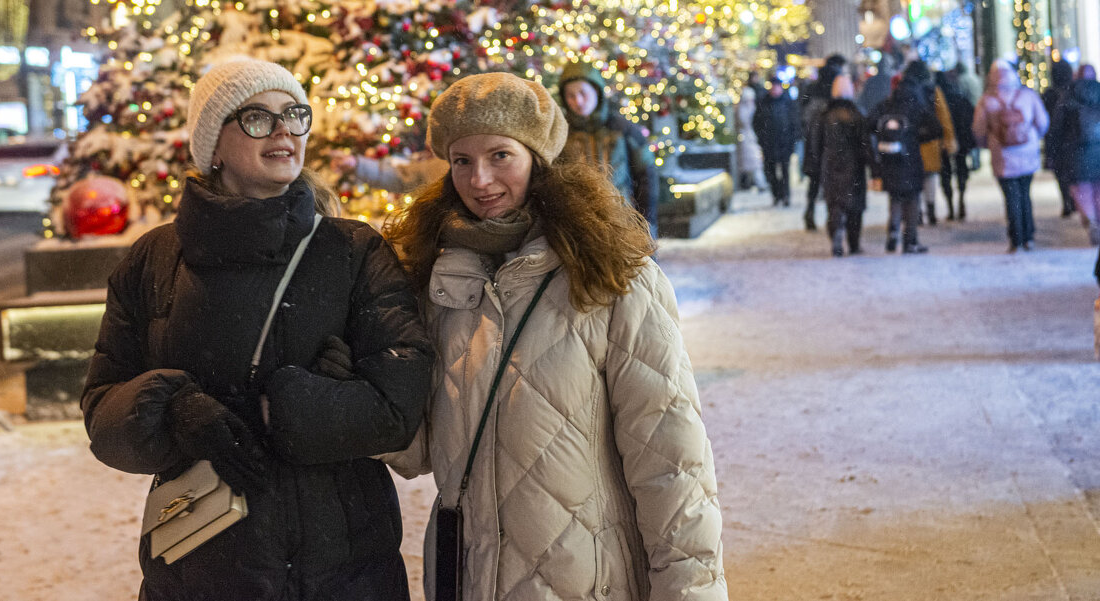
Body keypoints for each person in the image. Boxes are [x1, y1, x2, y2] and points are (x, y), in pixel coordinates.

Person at [81, 56, 434, 600]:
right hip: (200, 570)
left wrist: (293, 404)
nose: (283, 132)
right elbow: (103, 412)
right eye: (256, 118)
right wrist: (174, 410)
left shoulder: (351, 251)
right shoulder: (154, 260)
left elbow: (398, 409)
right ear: (212, 145)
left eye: (294, 115)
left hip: (344, 571)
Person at [384, 72, 727, 601]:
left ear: (538, 158)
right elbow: (419, 450)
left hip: (586, 582)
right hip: (468, 579)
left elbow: (671, 461)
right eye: (462, 161)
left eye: (501, 155)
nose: (480, 180)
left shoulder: (613, 277)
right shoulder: (436, 281)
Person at [556, 61, 659, 235]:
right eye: (571, 95)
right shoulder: (560, 135)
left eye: (583, 93)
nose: (578, 101)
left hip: (625, 224)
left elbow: (647, 176)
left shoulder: (624, 129)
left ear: (596, 91)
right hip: (580, 229)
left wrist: (646, 223)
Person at [972, 60, 1050, 253]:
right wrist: (1032, 138)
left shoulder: (987, 100)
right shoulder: (1027, 96)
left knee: (1011, 197)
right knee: (1025, 194)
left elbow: (978, 129)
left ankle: (1015, 239)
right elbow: (1042, 122)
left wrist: (989, 144)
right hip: (1027, 152)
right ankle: (1029, 236)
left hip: (1002, 156)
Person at [868, 74, 933, 254]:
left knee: (895, 198)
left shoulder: (886, 105)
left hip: (890, 159)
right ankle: (910, 240)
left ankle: (893, 232)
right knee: (912, 200)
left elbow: (870, 123)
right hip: (911, 159)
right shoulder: (917, 105)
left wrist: (886, 135)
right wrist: (917, 137)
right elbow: (935, 128)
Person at [805, 75, 869, 256]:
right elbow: (865, 143)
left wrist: (815, 166)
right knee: (855, 206)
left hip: (830, 165)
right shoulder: (857, 114)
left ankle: (836, 234)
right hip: (854, 166)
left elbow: (815, 143)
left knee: (834, 204)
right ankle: (854, 244)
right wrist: (872, 165)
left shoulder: (824, 115)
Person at [1046, 63, 1100, 243]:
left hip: (1076, 152)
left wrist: (1052, 153)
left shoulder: (1068, 96)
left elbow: (1057, 128)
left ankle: (1091, 220)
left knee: (1081, 188)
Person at [899, 60, 956, 225]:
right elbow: (943, 115)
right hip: (930, 141)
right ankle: (931, 211)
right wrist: (948, 139)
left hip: (910, 141)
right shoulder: (933, 90)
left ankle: (916, 214)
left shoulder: (904, 91)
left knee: (914, 179)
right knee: (930, 177)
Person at [800, 54, 847, 229]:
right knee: (832, 182)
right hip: (831, 145)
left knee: (814, 180)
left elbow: (803, 114)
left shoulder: (811, 89)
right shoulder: (834, 94)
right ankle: (832, 217)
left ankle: (810, 211)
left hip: (813, 142)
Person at [934, 68, 976, 220]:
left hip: (943, 142)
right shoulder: (959, 97)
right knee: (961, 169)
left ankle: (951, 206)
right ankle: (961, 200)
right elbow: (970, 117)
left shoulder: (937, 101)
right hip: (961, 141)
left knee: (945, 173)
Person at [753, 74, 800, 207]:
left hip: (785, 143)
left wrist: (793, 140)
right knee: (771, 171)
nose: (774, 89)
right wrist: (762, 138)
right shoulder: (764, 103)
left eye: (776, 87)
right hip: (769, 144)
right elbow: (757, 123)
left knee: (785, 171)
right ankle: (776, 194)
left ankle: (785, 195)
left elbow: (795, 123)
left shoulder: (788, 102)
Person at [1042, 59, 1078, 217]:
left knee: (1061, 173)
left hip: (1056, 139)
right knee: (1072, 171)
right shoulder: (1074, 91)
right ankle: (1073, 201)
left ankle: (1067, 201)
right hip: (1072, 139)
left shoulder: (1049, 95)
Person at [735, 70, 768, 191]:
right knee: (752, 161)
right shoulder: (746, 107)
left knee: (752, 161)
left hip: (751, 136)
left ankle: (753, 182)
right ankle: (754, 182)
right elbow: (744, 120)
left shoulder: (751, 104)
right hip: (748, 136)